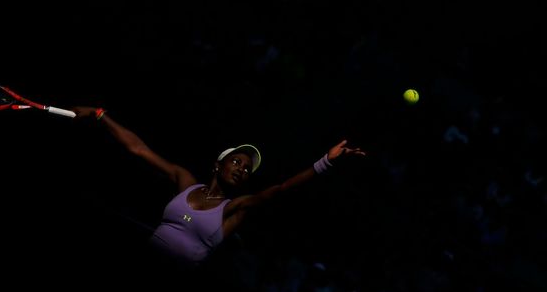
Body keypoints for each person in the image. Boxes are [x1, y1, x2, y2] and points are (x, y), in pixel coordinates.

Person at [72, 106, 366, 269]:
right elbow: (138, 149)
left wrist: (326, 162)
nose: (242, 169)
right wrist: (101, 116)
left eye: (247, 169)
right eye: (237, 162)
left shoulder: (234, 210)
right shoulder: (185, 182)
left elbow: (281, 189)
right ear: (218, 165)